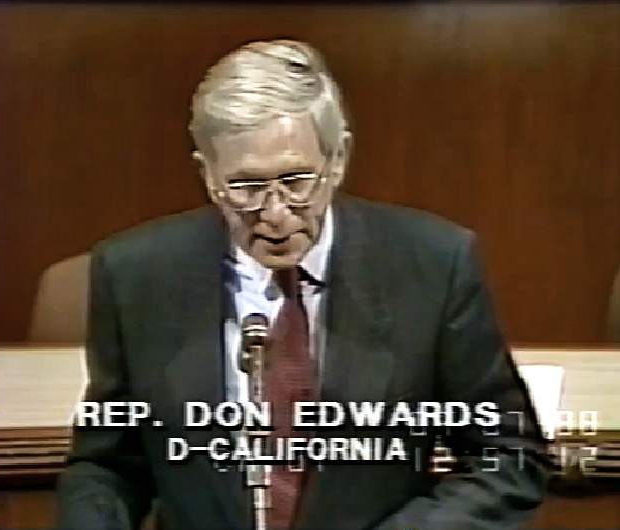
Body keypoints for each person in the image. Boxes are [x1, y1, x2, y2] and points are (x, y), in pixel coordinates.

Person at [56, 39, 549, 530]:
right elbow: (109, 464)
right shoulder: (135, 276)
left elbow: (508, 456)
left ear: (338, 160)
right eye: (246, 187)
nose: (274, 214)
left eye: (296, 181)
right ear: (208, 176)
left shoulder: (435, 266)